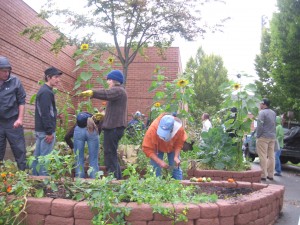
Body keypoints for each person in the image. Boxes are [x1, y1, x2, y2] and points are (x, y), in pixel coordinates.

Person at [79, 70, 127, 180]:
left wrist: (93, 92)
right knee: (112, 156)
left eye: (109, 80)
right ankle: (117, 180)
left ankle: (113, 180)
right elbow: (115, 109)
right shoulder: (119, 92)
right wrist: (103, 115)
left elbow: (106, 93)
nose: (108, 82)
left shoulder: (118, 90)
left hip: (114, 128)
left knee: (109, 156)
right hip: (114, 127)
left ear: (115, 80)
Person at [31, 67, 63, 176]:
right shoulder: (46, 92)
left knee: (37, 157)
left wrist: (55, 115)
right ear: (48, 77)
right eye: (56, 77)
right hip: (46, 131)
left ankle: (34, 179)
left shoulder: (45, 90)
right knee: (45, 158)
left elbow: (46, 111)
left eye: (59, 77)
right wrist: (49, 132)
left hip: (41, 129)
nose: (58, 80)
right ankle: (43, 183)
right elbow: (44, 113)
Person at [0, 56, 27, 170]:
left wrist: (20, 119)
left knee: (19, 150)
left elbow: (21, 101)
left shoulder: (15, 81)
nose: (7, 73)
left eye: (8, 71)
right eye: (3, 71)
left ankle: (23, 176)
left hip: (13, 121)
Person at [142, 113, 187, 180]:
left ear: (172, 129)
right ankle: (156, 187)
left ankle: (179, 187)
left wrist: (176, 156)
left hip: (172, 148)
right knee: (156, 168)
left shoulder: (179, 129)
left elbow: (179, 143)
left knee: (175, 167)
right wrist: (159, 161)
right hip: (157, 148)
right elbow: (147, 149)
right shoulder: (152, 130)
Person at [64, 112, 104, 178]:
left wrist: (73, 147)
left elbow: (67, 137)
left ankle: (79, 180)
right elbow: (99, 130)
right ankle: (95, 181)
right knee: (93, 159)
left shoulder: (78, 125)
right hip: (92, 132)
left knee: (79, 159)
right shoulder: (96, 122)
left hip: (79, 133)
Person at [256, 98, 276, 181]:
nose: (260, 105)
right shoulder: (273, 113)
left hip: (263, 137)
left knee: (263, 156)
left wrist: (258, 135)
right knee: (271, 156)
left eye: (260, 103)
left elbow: (260, 125)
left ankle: (263, 175)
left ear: (263, 104)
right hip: (272, 137)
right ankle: (271, 174)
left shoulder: (262, 112)